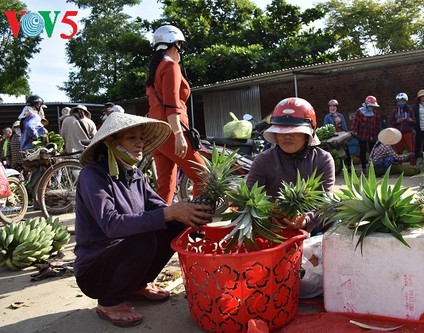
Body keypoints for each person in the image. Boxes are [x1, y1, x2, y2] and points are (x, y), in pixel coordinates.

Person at [74, 112, 213, 328]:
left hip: (124, 256)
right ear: (111, 142)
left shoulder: (135, 175)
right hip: (95, 271)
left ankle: (137, 286)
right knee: (145, 238)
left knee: (175, 224)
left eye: (141, 138)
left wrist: (189, 213)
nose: (140, 143)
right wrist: (168, 213)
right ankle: (109, 302)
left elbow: (160, 209)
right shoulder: (93, 175)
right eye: (132, 138)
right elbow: (111, 224)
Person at [246, 97, 335, 235]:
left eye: (295, 131)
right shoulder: (262, 160)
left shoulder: (323, 159)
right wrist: (268, 216)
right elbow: (250, 194)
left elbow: (325, 200)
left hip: (312, 225)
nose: (287, 136)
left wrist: (305, 220)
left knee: (335, 211)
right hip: (272, 227)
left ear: (310, 132)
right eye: (281, 131)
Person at [145, 24, 205, 204]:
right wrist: (178, 134)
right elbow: (171, 104)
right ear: (175, 43)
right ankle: (197, 224)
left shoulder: (156, 68)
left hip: (156, 132)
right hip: (171, 130)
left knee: (166, 186)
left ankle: (160, 228)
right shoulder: (170, 66)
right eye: (180, 44)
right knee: (204, 177)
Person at [350, 95, 381, 173]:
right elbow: (355, 122)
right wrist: (353, 130)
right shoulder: (360, 112)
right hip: (362, 135)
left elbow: (377, 124)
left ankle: (372, 168)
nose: (371, 107)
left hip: (372, 135)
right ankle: (364, 168)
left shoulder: (375, 113)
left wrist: (380, 132)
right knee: (362, 151)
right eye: (370, 105)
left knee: (373, 151)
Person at [323, 99, 351, 167]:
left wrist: (347, 134)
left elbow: (344, 126)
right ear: (329, 107)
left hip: (342, 135)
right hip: (333, 137)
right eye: (331, 106)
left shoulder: (340, 116)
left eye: (334, 106)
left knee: (346, 151)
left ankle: (349, 167)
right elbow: (327, 128)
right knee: (336, 152)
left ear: (336, 107)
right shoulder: (327, 117)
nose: (332, 107)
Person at [389, 92, 416, 165]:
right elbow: (392, 122)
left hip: (408, 132)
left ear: (405, 101)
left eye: (403, 101)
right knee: (399, 149)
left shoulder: (410, 110)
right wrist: (397, 121)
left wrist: (411, 120)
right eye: (399, 101)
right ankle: (399, 165)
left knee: (411, 149)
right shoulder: (394, 111)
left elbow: (414, 122)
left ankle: (412, 164)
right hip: (398, 133)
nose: (401, 103)